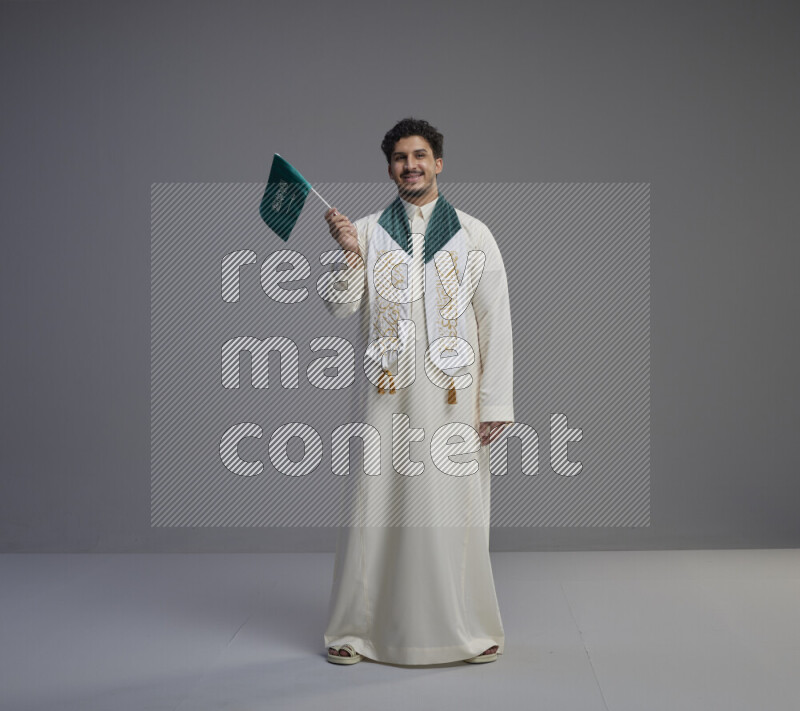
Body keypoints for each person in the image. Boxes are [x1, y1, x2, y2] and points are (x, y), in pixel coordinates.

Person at [321, 117, 514, 665]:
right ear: (390, 169)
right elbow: (340, 305)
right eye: (401, 157)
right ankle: (356, 631)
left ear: (439, 163)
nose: (411, 165)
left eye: (420, 155)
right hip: (387, 398)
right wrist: (349, 251)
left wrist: (495, 402)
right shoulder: (366, 230)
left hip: (454, 398)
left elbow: (495, 321)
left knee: (455, 510)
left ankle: (468, 628)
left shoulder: (475, 234)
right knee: (373, 508)